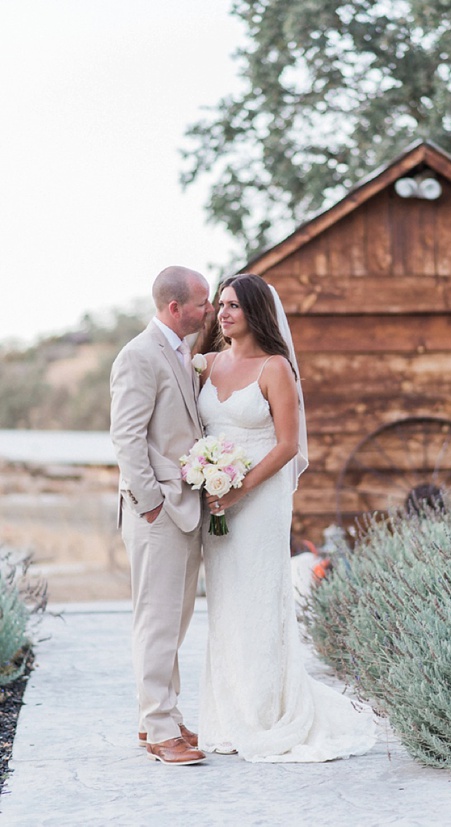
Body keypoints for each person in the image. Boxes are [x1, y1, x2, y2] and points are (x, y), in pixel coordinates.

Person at [196, 273, 376, 762]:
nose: (225, 313)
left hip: (259, 498)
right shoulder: (206, 363)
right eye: (221, 304)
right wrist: (209, 479)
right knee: (226, 605)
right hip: (217, 500)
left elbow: (288, 445)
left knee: (258, 601)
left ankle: (265, 714)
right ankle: (226, 713)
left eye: (234, 305)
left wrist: (239, 489)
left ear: (256, 312)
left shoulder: (276, 368)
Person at [110, 265, 213, 766]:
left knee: (174, 619)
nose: (209, 310)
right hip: (156, 511)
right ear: (176, 308)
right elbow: (127, 437)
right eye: (202, 302)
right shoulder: (137, 356)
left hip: (185, 506)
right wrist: (150, 502)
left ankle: (162, 716)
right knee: (156, 619)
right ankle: (157, 725)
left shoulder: (182, 353)